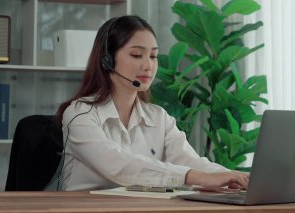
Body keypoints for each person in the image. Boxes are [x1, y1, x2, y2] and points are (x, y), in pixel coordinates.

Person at [56, 15, 249, 191]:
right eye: (136, 55)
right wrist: (192, 176)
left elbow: (190, 160)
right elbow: (119, 165)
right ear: (107, 60)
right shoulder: (79, 114)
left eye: (153, 56)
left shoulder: (159, 118)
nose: (148, 65)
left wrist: (235, 177)